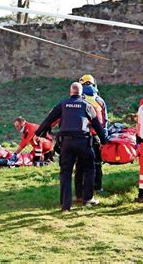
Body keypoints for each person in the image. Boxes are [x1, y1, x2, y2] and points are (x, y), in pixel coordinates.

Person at [35, 82, 107, 211]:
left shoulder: (63, 104)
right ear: (81, 94)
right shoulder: (86, 105)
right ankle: (88, 198)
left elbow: (49, 120)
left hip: (66, 143)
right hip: (83, 142)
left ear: (70, 93)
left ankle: (65, 205)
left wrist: (37, 133)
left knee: (65, 173)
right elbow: (97, 125)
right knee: (89, 168)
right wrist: (104, 140)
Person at [75, 75, 108, 201]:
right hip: (95, 137)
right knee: (97, 163)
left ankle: (80, 191)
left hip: (80, 136)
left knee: (81, 165)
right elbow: (104, 121)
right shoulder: (99, 100)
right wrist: (104, 137)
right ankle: (97, 187)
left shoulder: (78, 99)